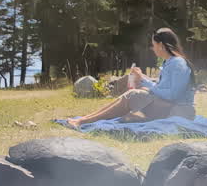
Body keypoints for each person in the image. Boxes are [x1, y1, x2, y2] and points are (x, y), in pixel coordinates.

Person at [65, 28, 196, 129]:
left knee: (133, 95)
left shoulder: (178, 64)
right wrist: (144, 78)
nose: (153, 48)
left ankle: (83, 121)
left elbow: (173, 95)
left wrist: (145, 82)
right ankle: (85, 118)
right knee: (131, 94)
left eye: (154, 45)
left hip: (179, 111)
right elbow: (164, 87)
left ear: (161, 45)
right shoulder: (169, 62)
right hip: (169, 105)